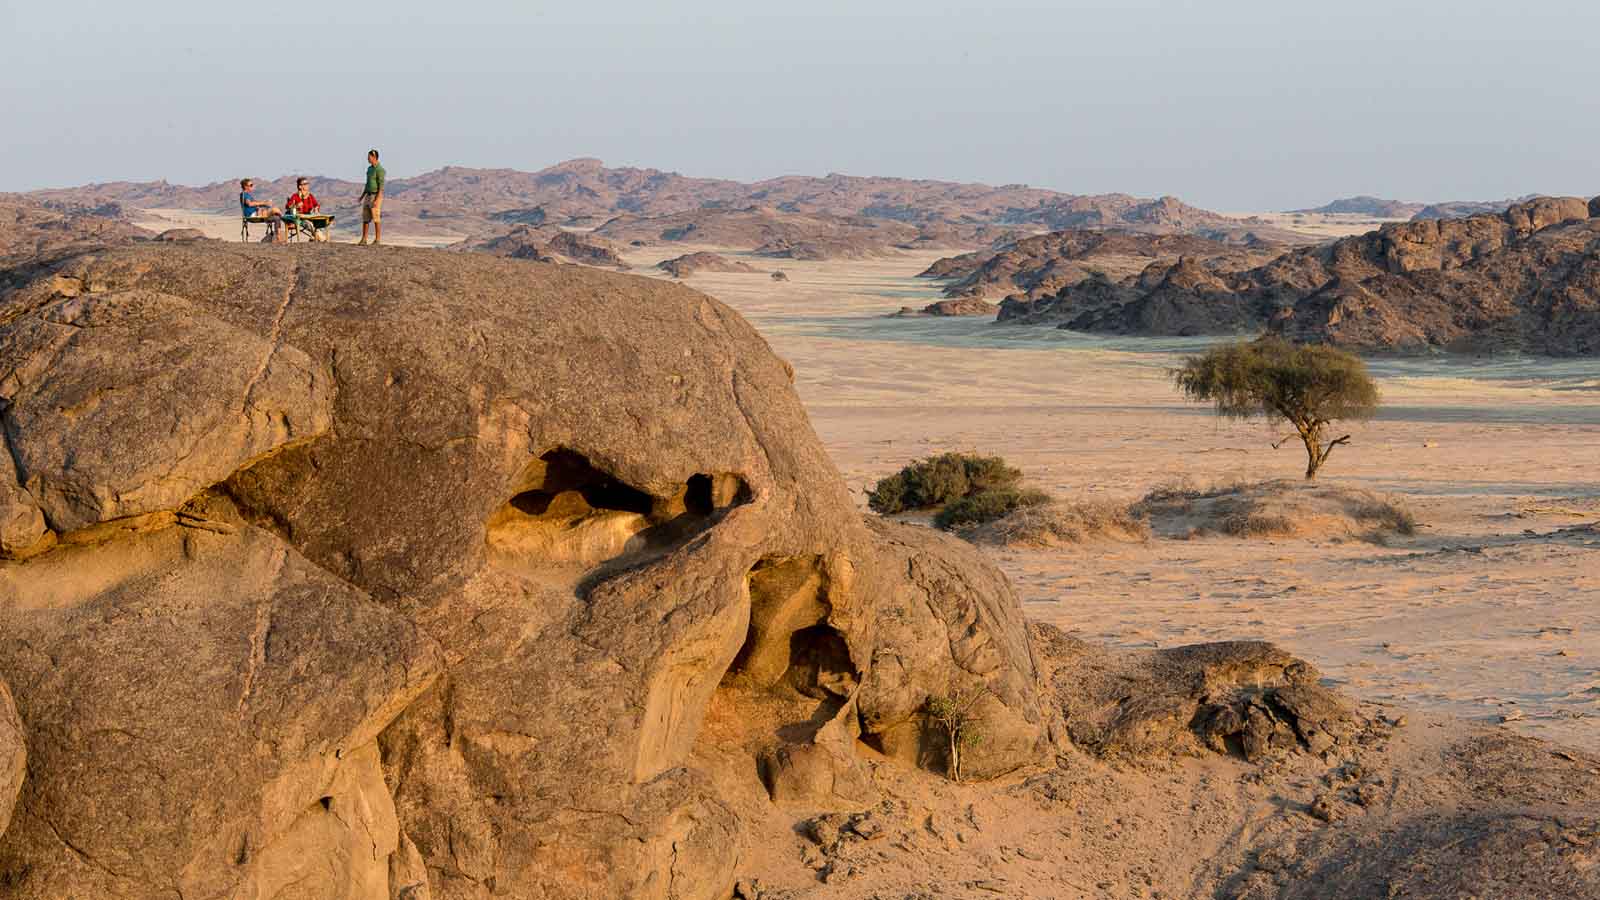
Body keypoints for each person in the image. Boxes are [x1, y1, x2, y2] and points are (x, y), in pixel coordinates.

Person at [358, 149, 385, 245]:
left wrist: (377, 200)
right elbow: (367, 183)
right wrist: (362, 196)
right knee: (365, 218)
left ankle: (377, 239)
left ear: (374, 157)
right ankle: (364, 239)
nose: (368, 159)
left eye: (369, 157)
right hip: (368, 195)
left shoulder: (380, 170)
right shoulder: (369, 169)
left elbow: (381, 186)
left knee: (376, 218)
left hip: (375, 195)